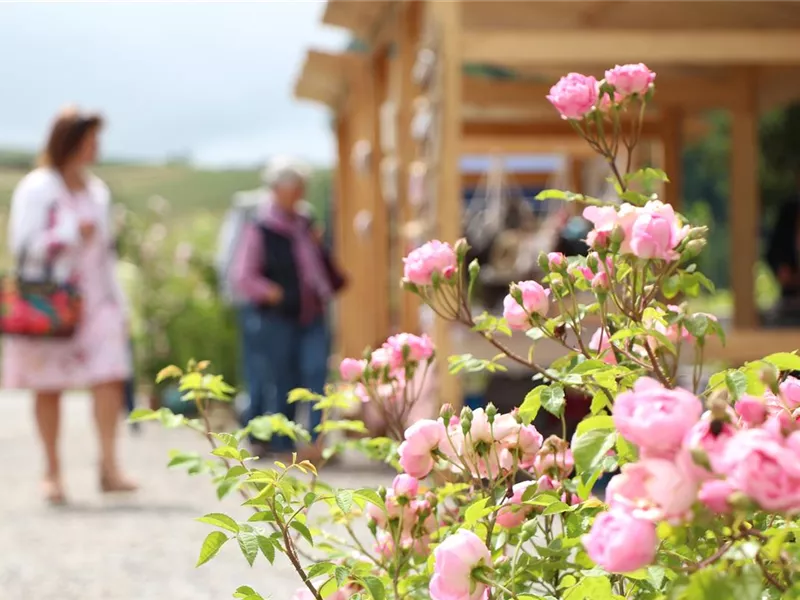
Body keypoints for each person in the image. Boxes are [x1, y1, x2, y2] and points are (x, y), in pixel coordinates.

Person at [2, 108, 137, 504]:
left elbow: (107, 252)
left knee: (110, 375)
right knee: (49, 385)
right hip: (52, 299)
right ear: (72, 140)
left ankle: (110, 465)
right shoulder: (37, 187)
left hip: (97, 298)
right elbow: (23, 245)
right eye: (91, 138)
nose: (97, 146)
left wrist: (120, 304)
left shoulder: (97, 190)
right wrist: (69, 233)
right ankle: (52, 471)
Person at [231, 156, 345, 459]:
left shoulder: (305, 222)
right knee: (281, 378)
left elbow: (316, 265)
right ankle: (282, 445)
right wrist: (273, 293)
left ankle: (316, 444)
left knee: (316, 373)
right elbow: (243, 276)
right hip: (278, 317)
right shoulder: (260, 228)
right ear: (277, 189)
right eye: (295, 187)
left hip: (312, 313)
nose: (300, 193)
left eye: (302, 187)